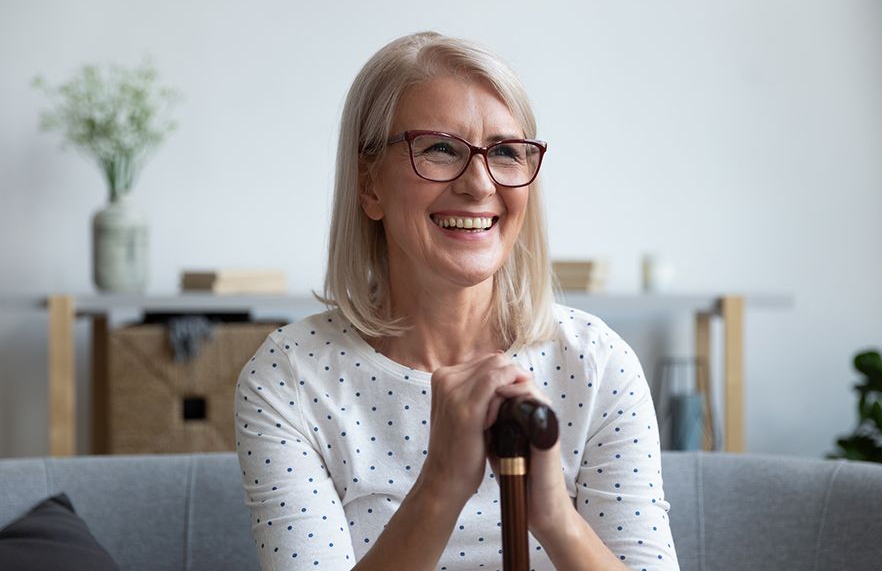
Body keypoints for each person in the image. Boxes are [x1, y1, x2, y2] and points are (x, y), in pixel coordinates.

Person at [234, 31, 680, 571]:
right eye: (440, 148)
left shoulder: (598, 365)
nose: (479, 184)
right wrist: (441, 485)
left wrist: (556, 519)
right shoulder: (291, 378)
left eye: (506, 152)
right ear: (368, 184)